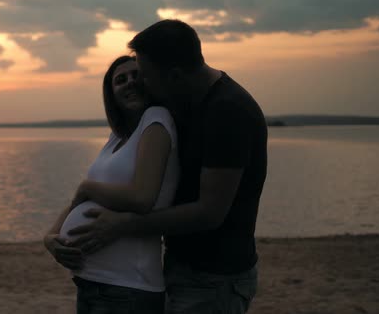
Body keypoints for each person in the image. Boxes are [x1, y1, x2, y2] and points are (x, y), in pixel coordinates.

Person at [67, 20, 268, 314]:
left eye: (145, 76)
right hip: (180, 266)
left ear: (174, 75)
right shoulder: (185, 102)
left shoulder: (228, 111)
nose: (141, 84)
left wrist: (124, 226)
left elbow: (209, 212)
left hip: (216, 277)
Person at [43, 55, 180, 314]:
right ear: (111, 93)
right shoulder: (117, 136)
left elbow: (142, 197)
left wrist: (86, 188)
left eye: (136, 76)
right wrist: (51, 237)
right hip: (90, 283)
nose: (129, 83)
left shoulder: (157, 117)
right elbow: (83, 199)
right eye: (120, 80)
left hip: (128, 287)